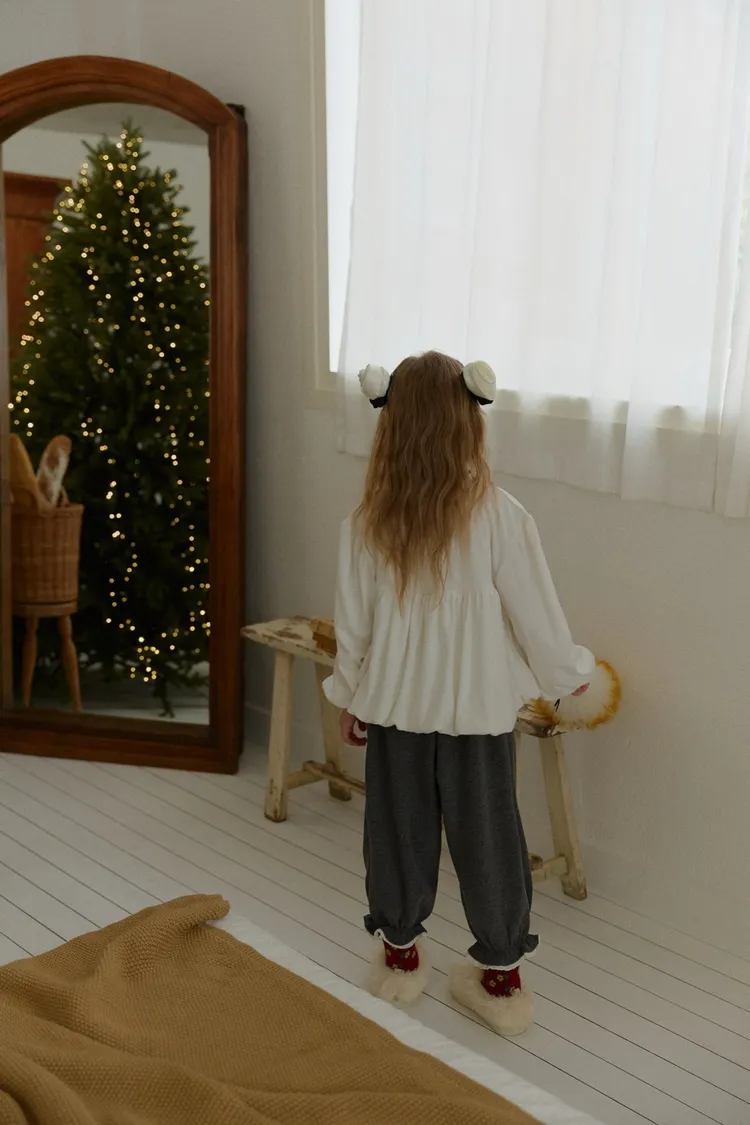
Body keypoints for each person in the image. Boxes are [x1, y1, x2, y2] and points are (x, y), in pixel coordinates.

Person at [323, 351, 593, 1037]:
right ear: (469, 419)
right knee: (489, 835)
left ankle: (400, 957)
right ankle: (500, 977)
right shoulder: (501, 516)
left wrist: (353, 694)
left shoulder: (367, 521)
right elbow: (536, 612)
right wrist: (566, 672)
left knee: (396, 831)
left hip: (396, 706)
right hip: (479, 708)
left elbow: (353, 628)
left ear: (390, 424)